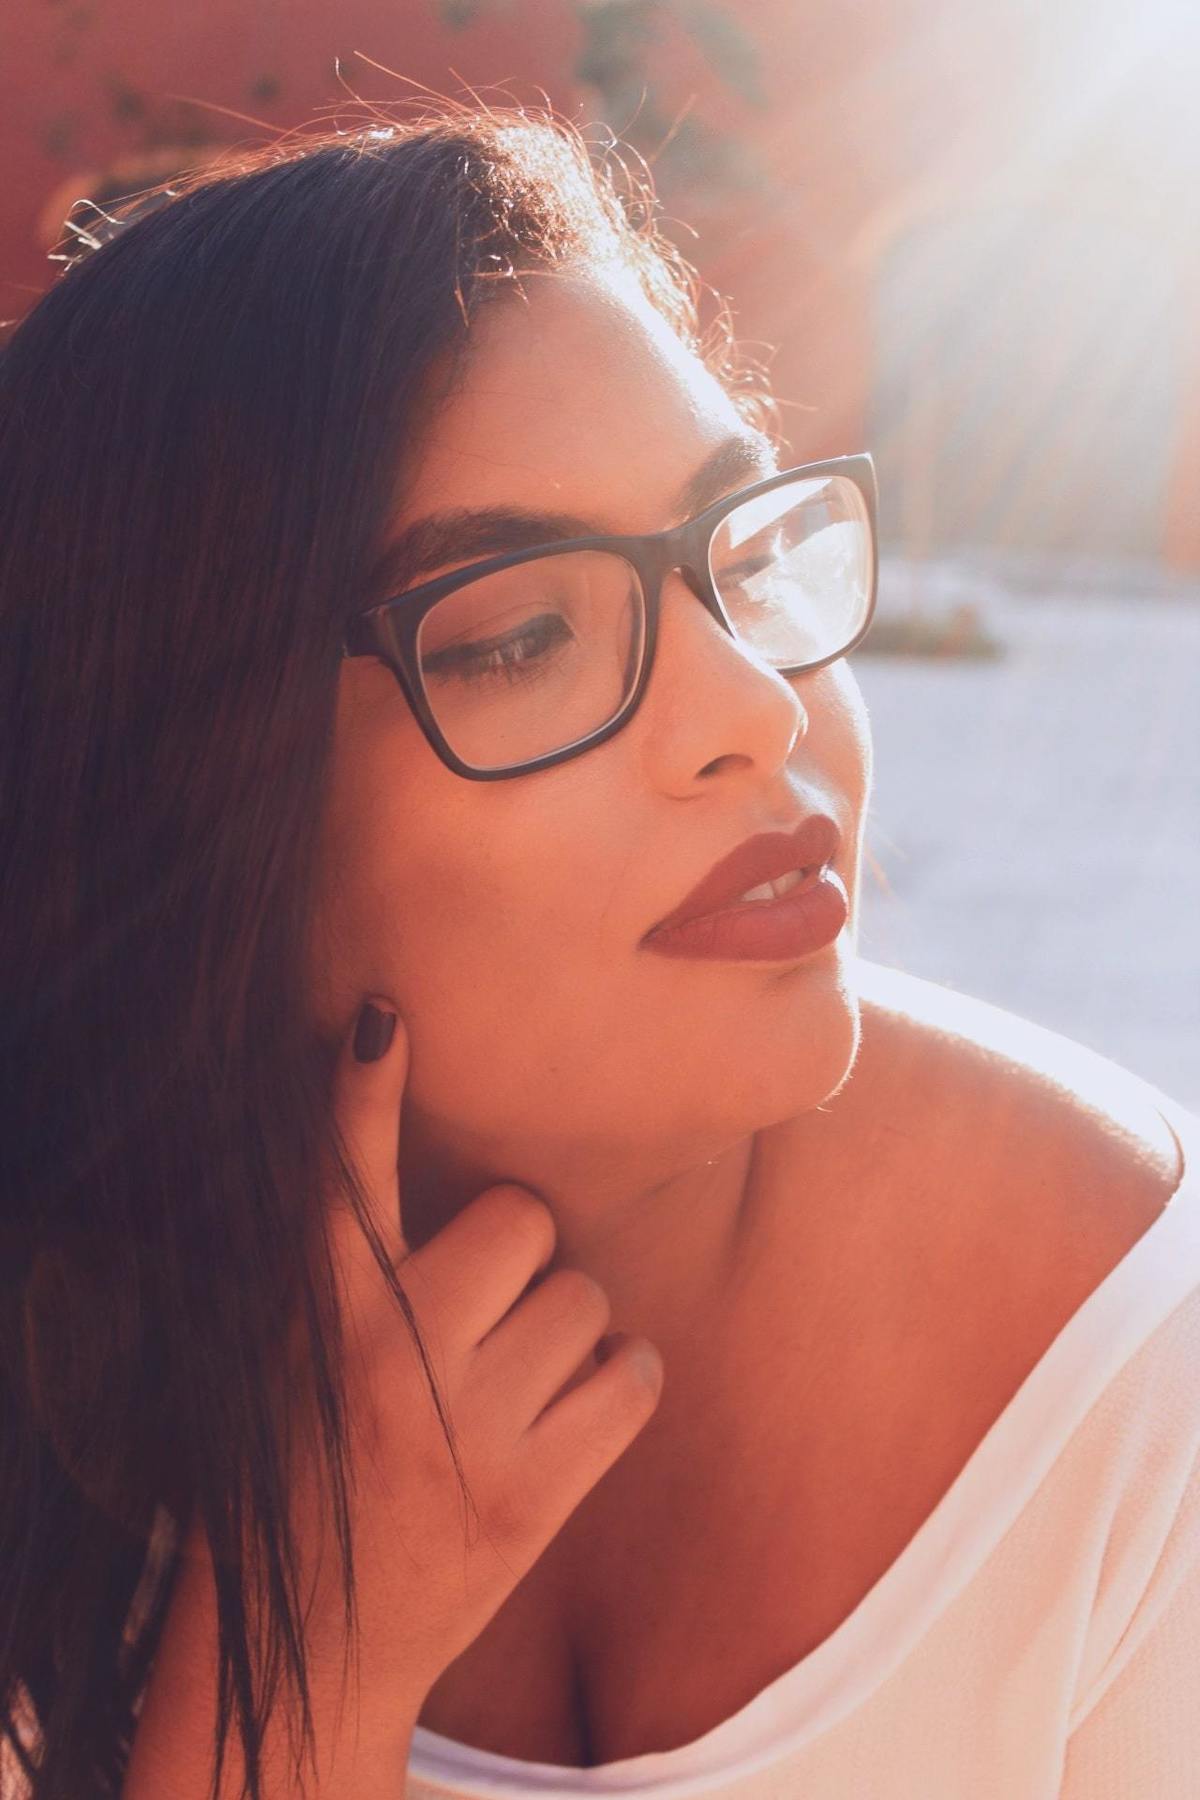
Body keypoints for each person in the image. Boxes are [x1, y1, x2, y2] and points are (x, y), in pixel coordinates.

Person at [1, 104, 1196, 1800]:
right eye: (521, 636)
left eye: (739, 552)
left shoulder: (1140, 1377)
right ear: (194, 824)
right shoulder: (57, 1363)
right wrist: (308, 1646)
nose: (753, 709)